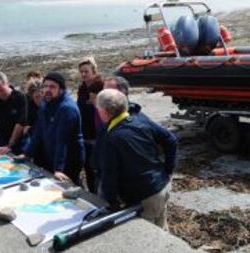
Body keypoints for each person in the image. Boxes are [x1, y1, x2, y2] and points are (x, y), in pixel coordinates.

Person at [96, 89, 178, 229]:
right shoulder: (139, 118)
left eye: (98, 108)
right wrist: (168, 170)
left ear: (105, 112)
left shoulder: (112, 139)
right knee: (162, 227)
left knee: (148, 236)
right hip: (162, 185)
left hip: (144, 196)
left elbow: (109, 175)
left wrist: (113, 205)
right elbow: (171, 140)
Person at [24, 72, 85, 183]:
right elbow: (39, 131)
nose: (47, 89)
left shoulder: (67, 108)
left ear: (61, 89)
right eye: (45, 86)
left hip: (70, 159)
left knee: (71, 190)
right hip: (52, 154)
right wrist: (27, 153)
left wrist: (58, 169)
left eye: (52, 87)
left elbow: (63, 140)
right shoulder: (46, 103)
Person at [77, 56, 99, 192]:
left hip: (97, 136)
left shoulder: (99, 87)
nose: (83, 74)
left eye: (86, 71)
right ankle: (93, 196)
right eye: (81, 72)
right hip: (84, 134)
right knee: (88, 170)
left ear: (94, 71)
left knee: (97, 170)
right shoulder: (82, 88)